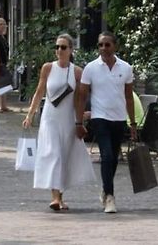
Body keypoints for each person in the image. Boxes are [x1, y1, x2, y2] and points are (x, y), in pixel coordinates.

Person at [23, 33, 96, 211]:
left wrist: (81, 119)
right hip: (49, 117)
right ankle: (55, 197)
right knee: (53, 154)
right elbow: (39, 92)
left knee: (63, 157)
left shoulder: (77, 72)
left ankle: (60, 197)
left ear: (71, 50)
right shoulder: (47, 68)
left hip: (67, 119)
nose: (59, 50)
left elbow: (80, 98)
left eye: (63, 47)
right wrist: (30, 114)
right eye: (57, 47)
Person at [76, 31, 136, 214]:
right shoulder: (91, 68)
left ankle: (105, 188)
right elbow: (81, 96)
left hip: (118, 119)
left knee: (114, 158)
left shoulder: (125, 68)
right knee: (107, 156)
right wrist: (79, 122)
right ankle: (110, 197)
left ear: (114, 46)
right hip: (99, 117)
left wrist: (133, 123)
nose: (103, 48)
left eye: (107, 44)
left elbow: (129, 96)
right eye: (100, 45)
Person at [0, 17, 12, 112]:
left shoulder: (3, 37)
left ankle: (3, 105)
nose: (2, 26)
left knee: (4, 84)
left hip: (4, 63)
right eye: (0, 24)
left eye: (4, 24)